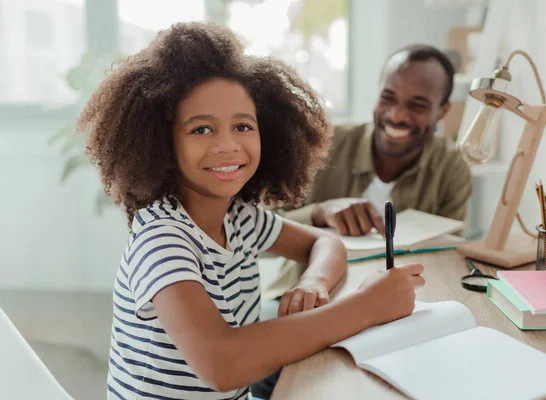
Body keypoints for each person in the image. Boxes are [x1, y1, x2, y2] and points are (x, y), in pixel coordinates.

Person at [78, 22, 425, 400]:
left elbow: (324, 244)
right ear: (160, 143)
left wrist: (314, 283)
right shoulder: (162, 239)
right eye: (200, 130)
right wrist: (366, 307)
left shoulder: (239, 216)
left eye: (243, 126)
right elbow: (222, 364)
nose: (227, 145)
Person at [265, 44, 472, 301]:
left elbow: (447, 255)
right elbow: (253, 237)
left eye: (417, 106)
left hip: (410, 301)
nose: (397, 115)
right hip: (308, 300)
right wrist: (318, 213)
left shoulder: (451, 168)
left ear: (442, 111)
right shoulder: (322, 146)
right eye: (388, 97)